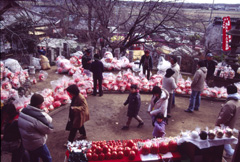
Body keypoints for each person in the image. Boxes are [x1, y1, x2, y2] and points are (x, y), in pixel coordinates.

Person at [18, 93, 53, 162]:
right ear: (38, 105)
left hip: (27, 143)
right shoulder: (37, 117)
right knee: (47, 159)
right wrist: (43, 114)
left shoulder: (23, 111)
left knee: (34, 159)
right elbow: (49, 129)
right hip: (37, 144)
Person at [215, 84, 240, 159]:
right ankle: (230, 152)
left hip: (225, 124)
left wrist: (218, 123)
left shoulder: (230, 104)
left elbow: (224, 117)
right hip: (231, 123)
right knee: (225, 139)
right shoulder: (237, 101)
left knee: (222, 138)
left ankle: (230, 152)